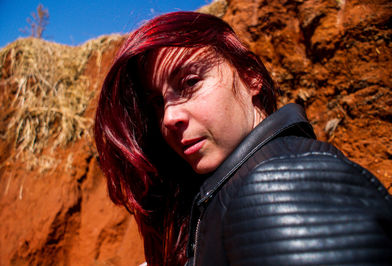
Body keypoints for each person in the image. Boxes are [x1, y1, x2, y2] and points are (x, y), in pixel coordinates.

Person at [94, 11, 392, 265]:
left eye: (190, 82)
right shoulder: (236, 186)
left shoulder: (280, 184)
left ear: (250, 76)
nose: (169, 118)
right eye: (157, 103)